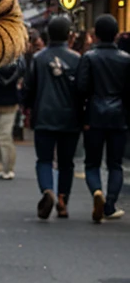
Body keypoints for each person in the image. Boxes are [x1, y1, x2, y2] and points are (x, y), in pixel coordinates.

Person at [21, 14, 81, 219]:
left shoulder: (38, 59)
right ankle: (63, 200)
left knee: (44, 159)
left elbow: (29, 87)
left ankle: (48, 190)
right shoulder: (77, 59)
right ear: (68, 35)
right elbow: (82, 90)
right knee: (66, 162)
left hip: (44, 114)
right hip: (70, 117)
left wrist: (27, 108)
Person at [77, 13, 130, 222]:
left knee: (92, 163)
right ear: (116, 34)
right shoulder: (126, 60)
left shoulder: (89, 58)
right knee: (115, 164)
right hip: (118, 117)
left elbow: (81, 89)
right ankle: (110, 204)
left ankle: (97, 191)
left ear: (96, 35)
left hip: (94, 115)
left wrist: (83, 116)